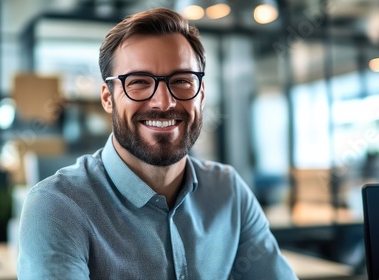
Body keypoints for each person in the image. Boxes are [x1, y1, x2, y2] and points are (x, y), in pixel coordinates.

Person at [18, 7, 297, 279]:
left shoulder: (228, 192)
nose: (164, 102)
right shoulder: (58, 206)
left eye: (182, 81)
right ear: (107, 98)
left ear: (201, 95)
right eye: (139, 82)